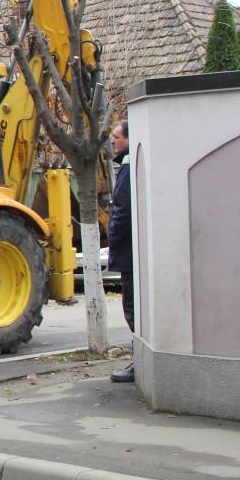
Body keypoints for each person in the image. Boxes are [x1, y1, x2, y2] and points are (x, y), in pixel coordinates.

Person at [108, 119, 134, 383]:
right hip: (130, 251)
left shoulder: (128, 166)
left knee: (131, 306)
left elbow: (122, 210)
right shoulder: (127, 164)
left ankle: (139, 363)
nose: (113, 140)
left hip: (128, 252)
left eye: (117, 136)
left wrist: (113, 236)